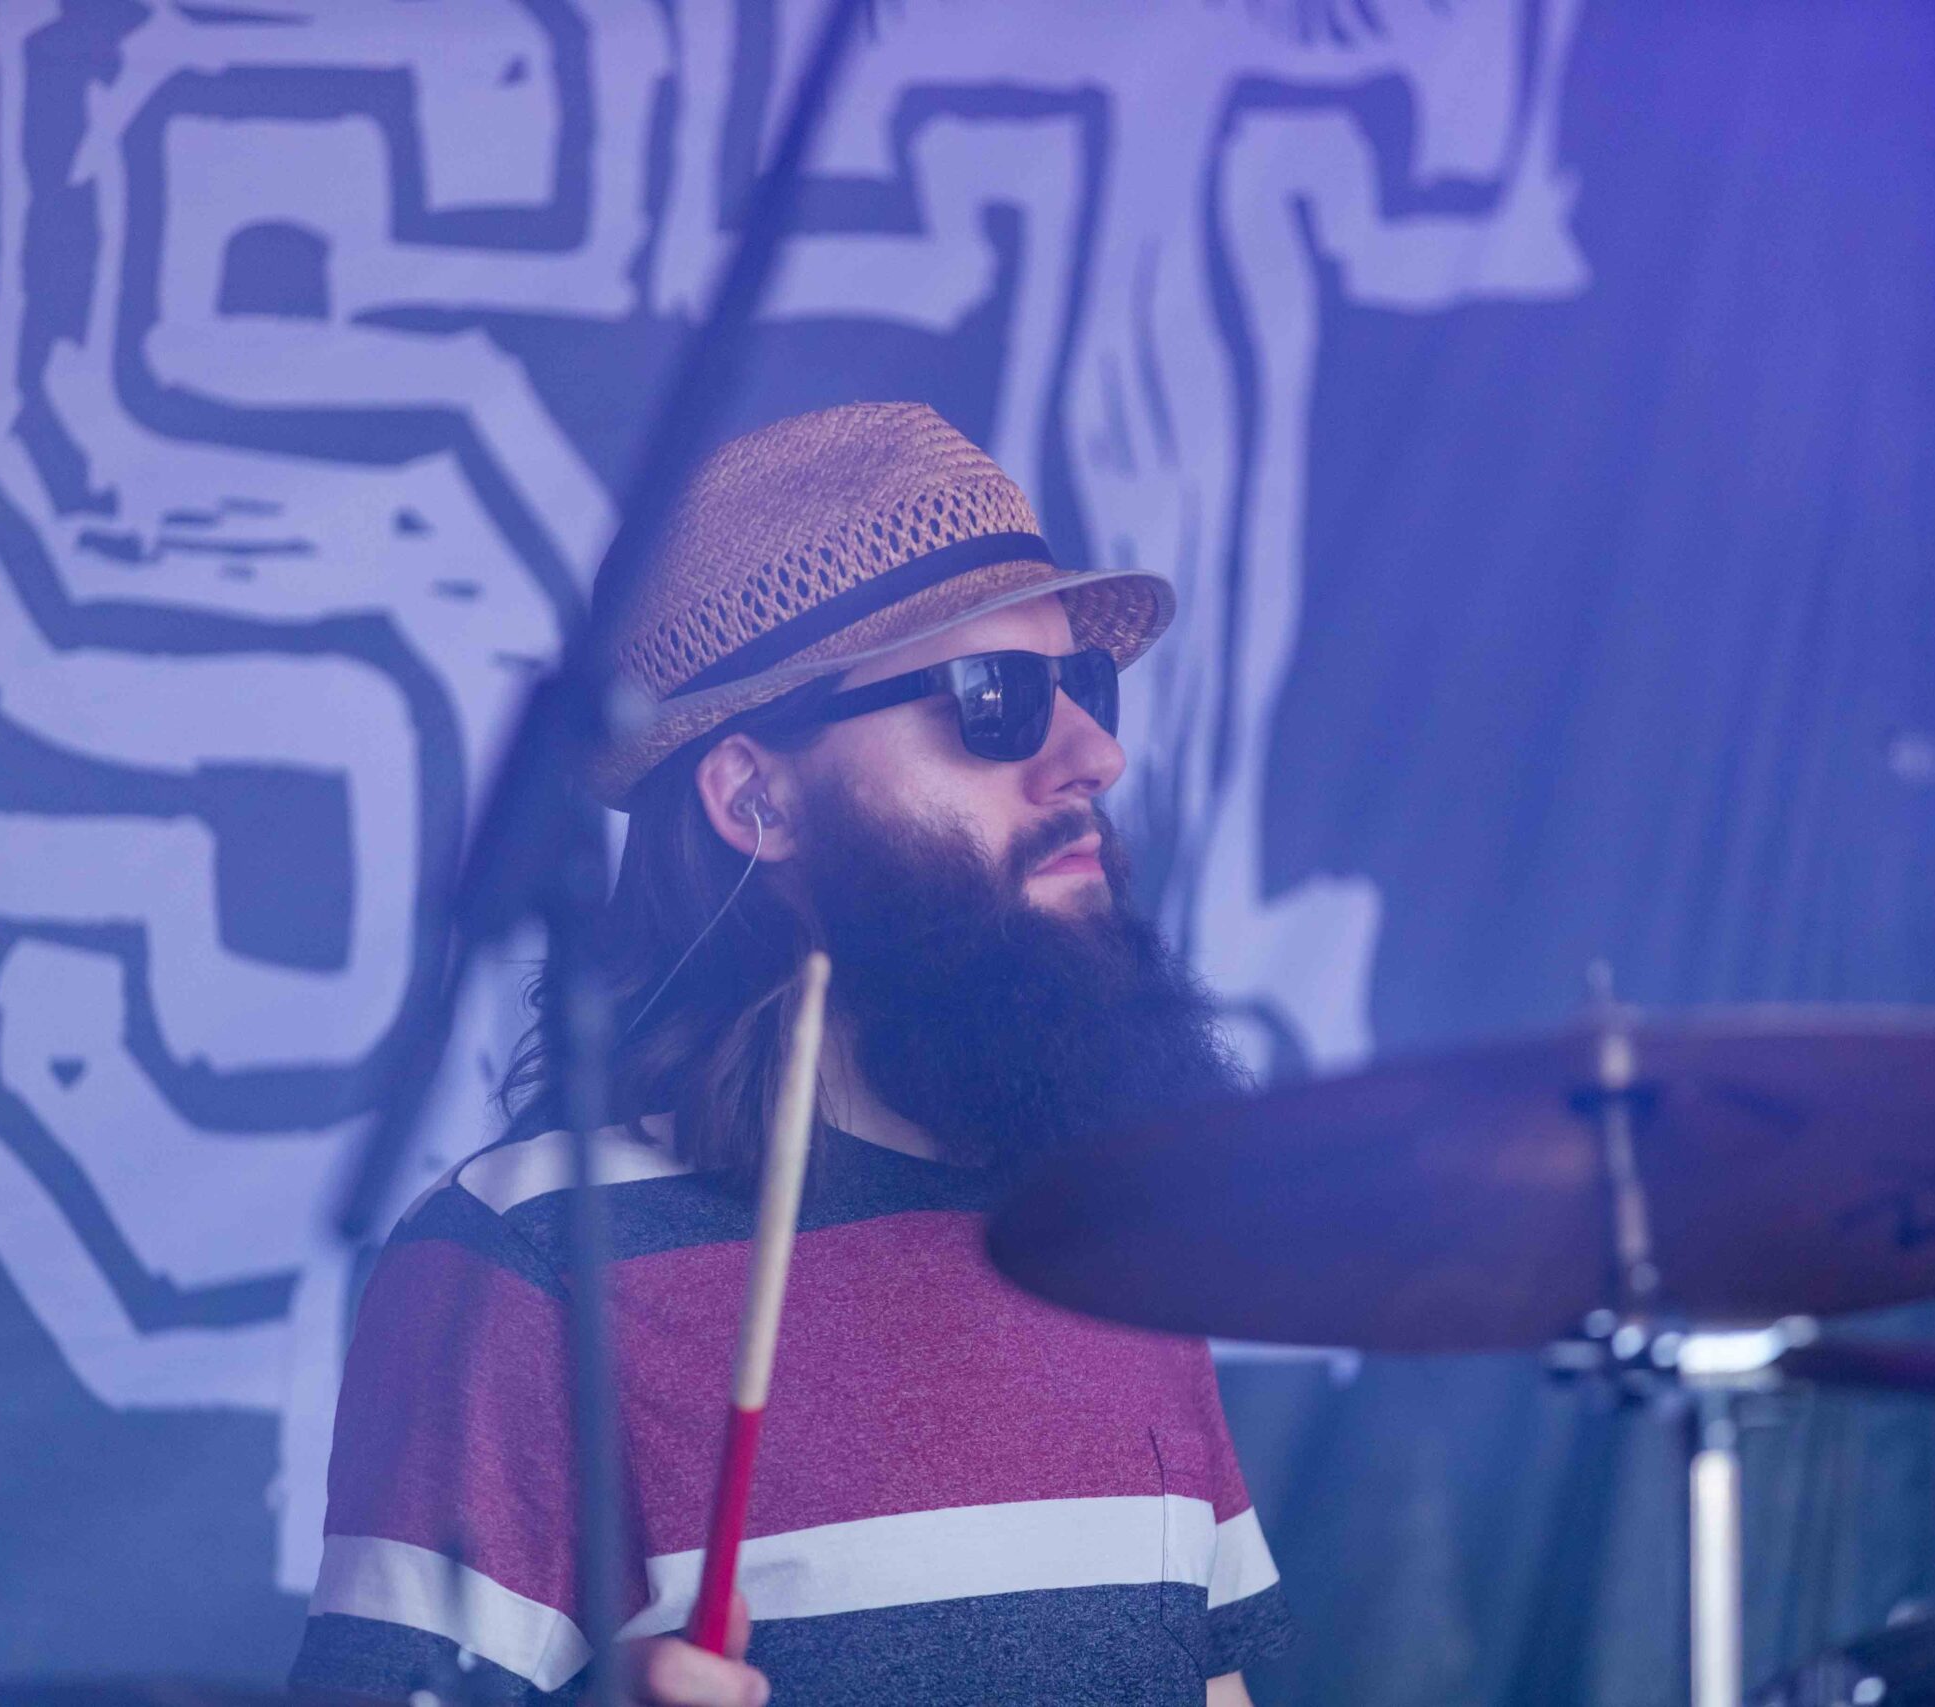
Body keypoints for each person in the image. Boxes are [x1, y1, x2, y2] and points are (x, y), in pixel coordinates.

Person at [290, 403, 1294, 1705]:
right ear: (756, 797)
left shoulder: (1102, 1237)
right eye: (996, 700)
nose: (1093, 757)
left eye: (1084, 689)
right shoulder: (535, 1256)